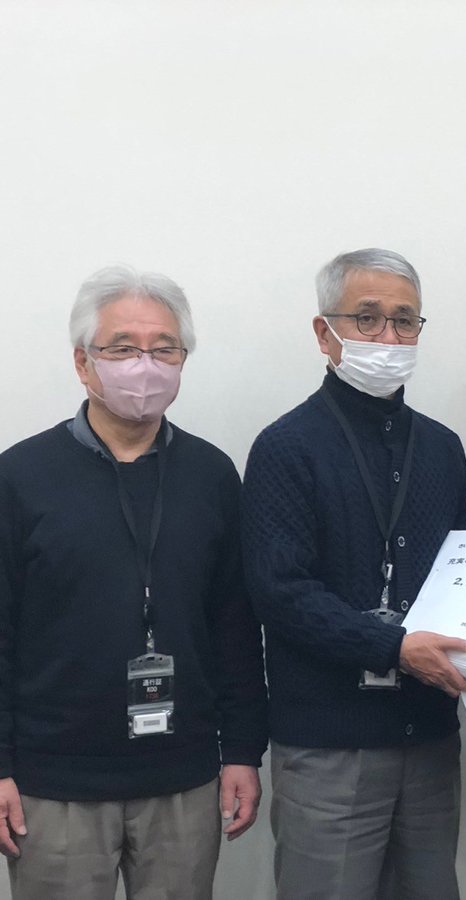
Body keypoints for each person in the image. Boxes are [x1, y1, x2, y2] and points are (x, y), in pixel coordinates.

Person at [0, 265, 268, 900]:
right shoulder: (20, 477)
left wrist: (242, 751)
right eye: (122, 348)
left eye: (163, 349)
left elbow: (235, 625)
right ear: (83, 362)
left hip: (184, 776)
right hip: (54, 784)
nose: (145, 366)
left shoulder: (212, 475)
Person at [243, 248, 466, 900]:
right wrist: (394, 646)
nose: (388, 338)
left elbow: (459, 580)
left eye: (404, 321)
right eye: (367, 319)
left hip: (429, 739)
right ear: (325, 333)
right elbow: (280, 593)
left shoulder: (442, 448)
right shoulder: (286, 447)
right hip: (329, 748)